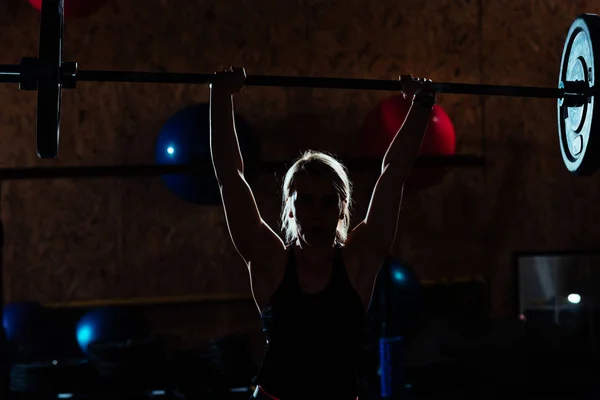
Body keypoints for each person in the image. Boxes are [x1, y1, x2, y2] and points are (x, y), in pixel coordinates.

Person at [209, 67, 435, 400]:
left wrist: (422, 104)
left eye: (329, 202)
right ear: (290, 207)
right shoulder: (269, 261)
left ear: (343, 209)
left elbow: (394, 173)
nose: (317, 211)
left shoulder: (359, 260)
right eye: (307, 201)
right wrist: (220, 96)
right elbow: (230, 176)